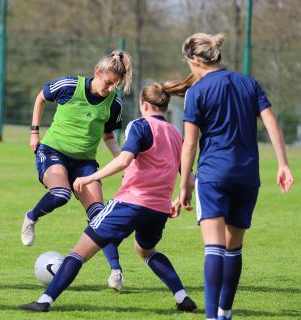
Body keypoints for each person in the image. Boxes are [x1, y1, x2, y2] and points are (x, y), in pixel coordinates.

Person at [20, 76, 198, 313]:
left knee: (78, 252)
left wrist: (91, 177)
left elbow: (124, 160)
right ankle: (182, 297)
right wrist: (179, 198)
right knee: (146, 250)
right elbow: (189, 175)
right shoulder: (176, 135)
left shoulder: (140, 126)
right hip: (158, 210)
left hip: (130, 203)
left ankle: (44, 301)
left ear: (143, 104)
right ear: (165, 106)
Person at [178, 33, 294, 320]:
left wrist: (183, 185)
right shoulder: (248, 83)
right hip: (247, 176)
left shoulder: (197, 91)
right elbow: (270, 122)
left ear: (194, 59)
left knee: (214, 248)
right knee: (234, 247)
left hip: (214, 174)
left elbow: (190, 144)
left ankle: (210, 317)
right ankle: (225, 313)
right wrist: (283, 164)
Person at [21, 50, 132, 291]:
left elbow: (109, 135)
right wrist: (34, 132)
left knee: (100, 217)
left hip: (84, 163)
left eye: (116, 84)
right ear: (97, 73)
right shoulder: (69, 85)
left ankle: (116, 271)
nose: (111, 88)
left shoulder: (114, 102)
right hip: (53, 152)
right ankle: (31, 217)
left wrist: (124, 161)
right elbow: (41, 97)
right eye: (108, 82)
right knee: (61, 194)